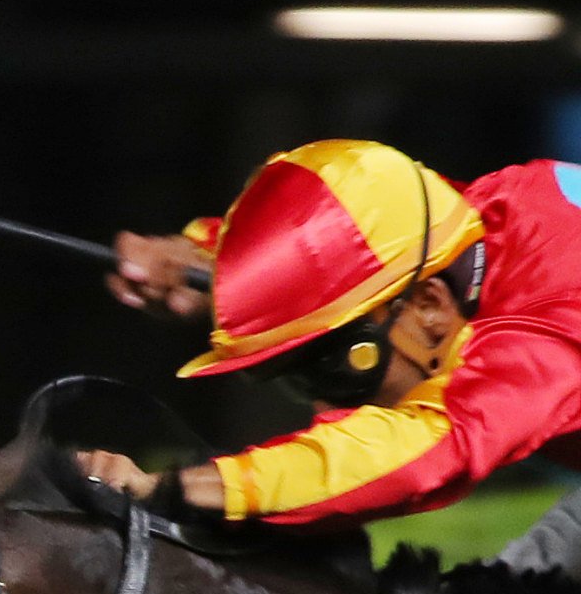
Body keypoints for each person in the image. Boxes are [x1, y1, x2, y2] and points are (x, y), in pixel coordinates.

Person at [79, 138, 581, 571]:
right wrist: (199, 257)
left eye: (342, 365)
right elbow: (353, 221)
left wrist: (174, 489)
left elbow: (424, 454)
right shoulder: (481, 220)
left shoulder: (552, 321)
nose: (328, 409)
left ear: (430, 304)